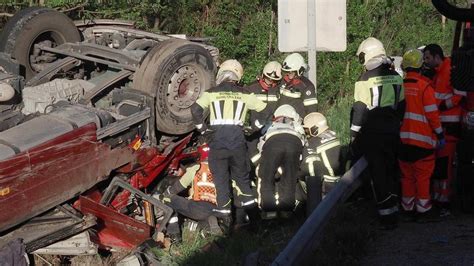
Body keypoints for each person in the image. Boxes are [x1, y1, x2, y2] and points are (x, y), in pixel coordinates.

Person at [190, 59, 266, 231]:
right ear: (237, 76)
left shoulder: (211, 93)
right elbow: (264, 109)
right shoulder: (245, 94)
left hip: (217, 143)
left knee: (221, 182)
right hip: (238, 143)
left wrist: (203, 129)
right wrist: (255, 127)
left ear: (221, 74)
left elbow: (195, 110)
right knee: (243, 181)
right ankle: (255, 221)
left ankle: (225, 224)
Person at [350, 37, 405, 229]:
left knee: (378, 172)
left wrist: (354, 135)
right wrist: (396, 124)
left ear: (368, 54)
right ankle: (396, 211)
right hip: (392, 129)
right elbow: (402, 105)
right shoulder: (397, 76)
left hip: (372, 132)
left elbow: (359, 109)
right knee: (392, 170)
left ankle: (386, 217)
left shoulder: (364, 79)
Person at [398, 49, 444, 222]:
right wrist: (440, 135)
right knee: (422, 177)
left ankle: (407, 208)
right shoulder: (425, 87)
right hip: (423, 143)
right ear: (421, 65)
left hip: (403, 142)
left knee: (407, 177)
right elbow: (433, 115)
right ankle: (423, 210)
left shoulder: (400, 86)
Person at [423, 44, 466, 215]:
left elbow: (459, 94)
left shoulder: (450, 70)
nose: (425, 61)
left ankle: (444, 203)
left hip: (450, 125)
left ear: (436, 56)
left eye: (427, 57)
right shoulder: (438, 73)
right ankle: (439, 200)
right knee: (440, 166)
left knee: (445, 167)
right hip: (442, 126)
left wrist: (442, 106)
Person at [162, 144, 222, 242]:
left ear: (199, 156)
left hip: (198, 208)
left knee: (167, 199)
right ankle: (209, 225)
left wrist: (167, 192)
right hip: (215, 209)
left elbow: (180, 185)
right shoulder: (220, 171)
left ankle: (174, 236)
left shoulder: (196, 168)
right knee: (203, 218)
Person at [256, 104, 305, 211]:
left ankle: (270, 211)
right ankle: (286, 212)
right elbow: (303, 142)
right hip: (294, 142)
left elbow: (261, 144)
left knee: (267, 178)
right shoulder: (296, 124)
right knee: (289, 180)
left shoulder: (270, 124)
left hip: (273, 142)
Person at [299, 112, 344, 215]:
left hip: (325, 186)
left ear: (314, 129)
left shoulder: (313, 142)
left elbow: (309, 167)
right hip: (340, 182)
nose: (306, 133)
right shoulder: (334, 136)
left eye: (307, 129)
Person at [246, 61, 283, 165]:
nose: (270, 82)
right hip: (254, 130)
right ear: (262, 75)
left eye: (274, 81)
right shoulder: (250, 88)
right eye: (268, 79)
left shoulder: (280, 90)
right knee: (252, 154)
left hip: (273, 129)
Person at [277, 53, 318, 118]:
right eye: (287, 72)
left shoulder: (307, 86)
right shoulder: (281, 81)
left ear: (300, 71)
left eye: (291, 72)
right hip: (278, 120)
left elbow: (311, 111)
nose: (288, 74)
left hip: (297, 123)